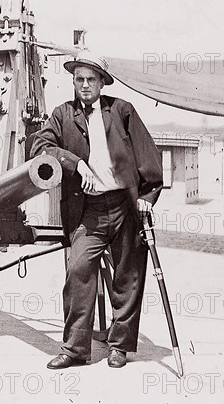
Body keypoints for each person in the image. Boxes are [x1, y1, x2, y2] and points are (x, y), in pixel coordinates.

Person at [30, 50, 163, 369]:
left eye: (91, 79)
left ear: (102, 82)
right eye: (79, 79)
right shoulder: (62, 115)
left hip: (125, 209)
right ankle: (75, 348)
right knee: (78, 270)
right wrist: (76, 164)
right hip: (86, 212)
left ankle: (119, 346)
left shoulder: (123, 111)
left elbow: (148, 156)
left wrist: (148, 197)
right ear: (73, 82)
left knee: (127, 276)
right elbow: (39, 148)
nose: (85, 85)